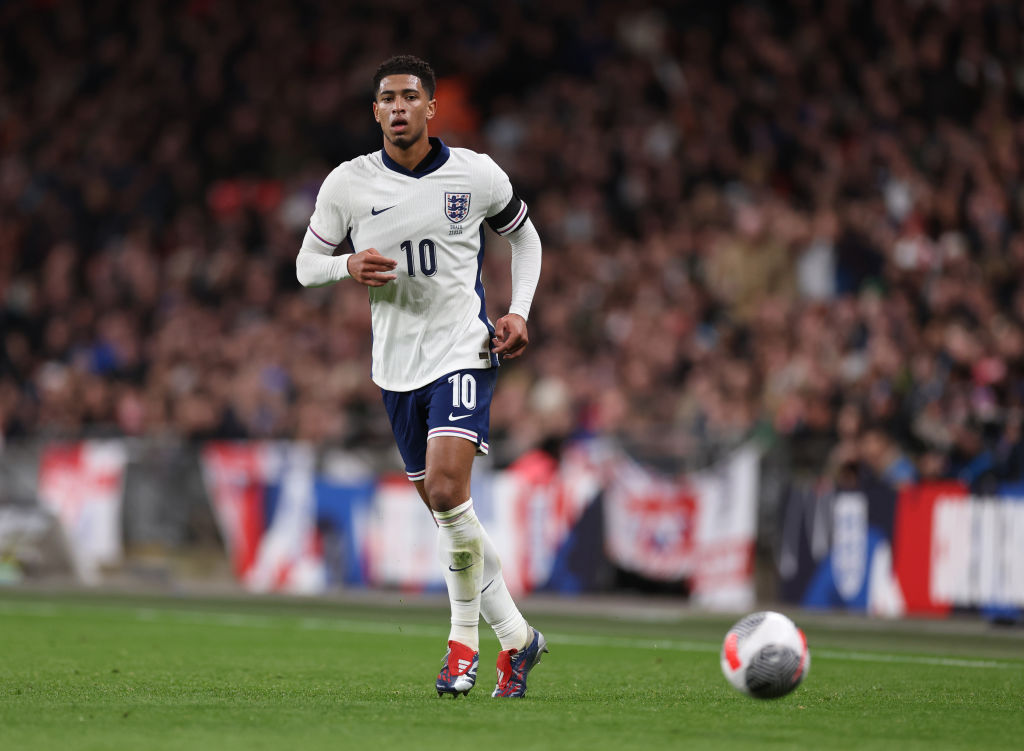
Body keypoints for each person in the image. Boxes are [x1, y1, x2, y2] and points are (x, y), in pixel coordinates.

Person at [296, 55, 546, 698]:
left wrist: (517, 311)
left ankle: (461, 647)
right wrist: (345, 266)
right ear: (375, 111)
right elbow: (304, 265)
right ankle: (518, 640)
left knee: (443, 490)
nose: (400, 106)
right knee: (451, 514)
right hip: (395, 367)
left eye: (411, 96)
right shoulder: (348, 184)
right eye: (388, 98)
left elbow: (526, 238)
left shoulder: (476, 174)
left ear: (432, 108)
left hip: (464, 349)